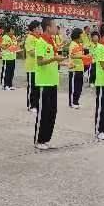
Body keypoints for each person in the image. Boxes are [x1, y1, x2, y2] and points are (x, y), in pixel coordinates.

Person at [34, 18, 67, 149]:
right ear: (48, 27)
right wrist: (54, 58)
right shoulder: (40, 42)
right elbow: (40, 61)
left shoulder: (51, 41)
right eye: (54, 26)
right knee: (44, 112)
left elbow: (54, 60)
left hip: (53, 81)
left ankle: (46, 139)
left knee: (52, 111)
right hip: (44, 82)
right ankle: (39, 140)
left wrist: (65, 63)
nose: (56, 28)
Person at [24, 21, 41, 113]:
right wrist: (41, 53)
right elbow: (31, 52)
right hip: (31, 67)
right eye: (39, 28)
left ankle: (36, 104)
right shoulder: (30, 38)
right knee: (32, 87)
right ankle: (31, 105)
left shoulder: (38, 38)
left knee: (37, 87)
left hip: (38, 67)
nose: (40, 29)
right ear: (34, 29)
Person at [67, 28, 84, 108]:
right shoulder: (73, 44)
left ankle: (76, 101)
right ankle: (72, 102)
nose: (82, 37)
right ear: (77, 35)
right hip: (74, 69)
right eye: (81, 35)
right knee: (74, 87)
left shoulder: (79, 44)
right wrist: (82, 56)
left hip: (80, 68)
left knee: (79, 87)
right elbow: (72, 55)